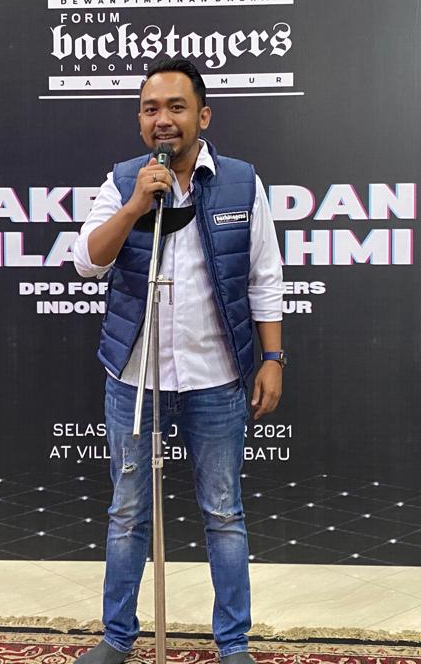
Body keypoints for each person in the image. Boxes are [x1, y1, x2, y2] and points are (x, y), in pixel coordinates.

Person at [72, 57, 285, 664]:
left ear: (203, 116)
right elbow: (87, 262)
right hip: (136, 379)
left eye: (175, 107)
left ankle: (233, 644)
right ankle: (117, 638)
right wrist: (136, 205)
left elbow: (264, 277)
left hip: (216, 378)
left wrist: (273, 357)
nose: (162, 119)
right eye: (150, 109)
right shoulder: (124, 182)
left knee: (223, 513)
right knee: (127, 513)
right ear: (140, 121)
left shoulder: (242, 182)